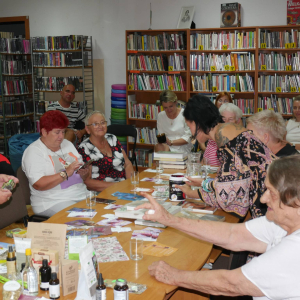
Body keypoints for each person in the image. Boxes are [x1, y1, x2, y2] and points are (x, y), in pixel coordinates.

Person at [136, 155, 300, 299]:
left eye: (271, 192)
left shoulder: (295, 249)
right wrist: (169, 219)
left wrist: (174, 276)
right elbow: (232, 235)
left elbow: (232, 284)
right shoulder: (282, 222)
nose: (263, 199)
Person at [178, 95, 275, 219]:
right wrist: (205, 183)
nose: (191, 132)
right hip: (274, 190)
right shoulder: (228, 130)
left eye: (189, 126)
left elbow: (229, 196)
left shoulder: (224, 137)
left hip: (271, 201)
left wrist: (192, 193)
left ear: (197, 122)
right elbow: (234, 180)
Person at [22, 110, 89, 217]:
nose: (61, 136)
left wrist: (83, 174)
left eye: (63, 132)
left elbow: (81, 178)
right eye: (57, 132)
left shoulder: (67, 144)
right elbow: (38, 184)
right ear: (44, 132)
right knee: (86, 219)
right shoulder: (34, 152)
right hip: (52, 202)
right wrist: (66, 173)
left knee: (106, 212)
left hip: (81, 195)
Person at [78, 111, 134, 192]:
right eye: (95, 124)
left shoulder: (112, 138)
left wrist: (131, 184)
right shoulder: (84, 148)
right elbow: (87, 182)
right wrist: (117, 187)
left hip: (123, 187)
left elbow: (127, 164)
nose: (100, 126)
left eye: (102, 122)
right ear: (87, 129)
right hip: (102, 192)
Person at [201, 93, 234, 165]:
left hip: (225, 153)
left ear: (230, 102)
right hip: (210, 150)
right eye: (220, 100)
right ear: (216, 102)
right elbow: (202, 134)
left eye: (225, 101)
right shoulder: (211, 116)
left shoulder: (234, 116)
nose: (222, 103)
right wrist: (204, 148)